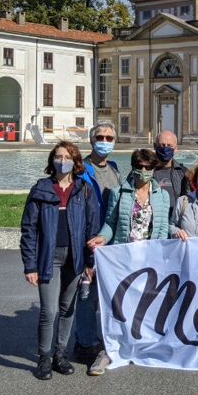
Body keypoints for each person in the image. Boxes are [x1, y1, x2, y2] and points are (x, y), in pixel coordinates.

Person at [85, 148, 171, 376]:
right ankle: (108, 349)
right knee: (116, 304)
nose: (143, 171)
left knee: (145, 303)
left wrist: (161, 257)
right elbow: (110, 222)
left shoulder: (162, 196)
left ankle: (142, 346)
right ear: (133, 167)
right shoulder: (119, 193)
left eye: (148, 167)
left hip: (149, 258)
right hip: (123, 258)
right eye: (139, 166)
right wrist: (102, 238)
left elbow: (162, 228)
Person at [20, 141, 101, 380]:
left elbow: (92, 228)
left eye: (67, 157)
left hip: (75, 258)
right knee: (49, 311)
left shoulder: (83, 190)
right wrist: (30, 265)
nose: (62, 161)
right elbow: (28, 229)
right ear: (52, 160)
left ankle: (60, 355)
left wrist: (89, 262)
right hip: (49, 258)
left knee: (68, 309)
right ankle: (44, 358)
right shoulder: (41, 189)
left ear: (75, 162)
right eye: (58, 156)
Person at [74, 121, 121, 364]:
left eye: (109, 138)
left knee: (107, 295)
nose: (104, 142)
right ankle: (85, 344)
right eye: (100, 137)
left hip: (109, 240)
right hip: (90, 240)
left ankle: (104, 340)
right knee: (87, 293)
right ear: (91, 140)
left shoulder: (114, 169)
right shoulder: (80, 170)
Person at [153, 130, 190, 221]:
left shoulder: (184, 173)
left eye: (169, 146)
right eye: (162, 145)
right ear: (155, 146)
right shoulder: (145, 170)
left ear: (176, 149)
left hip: (175, 222)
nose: (165, 148)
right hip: (152, 221)